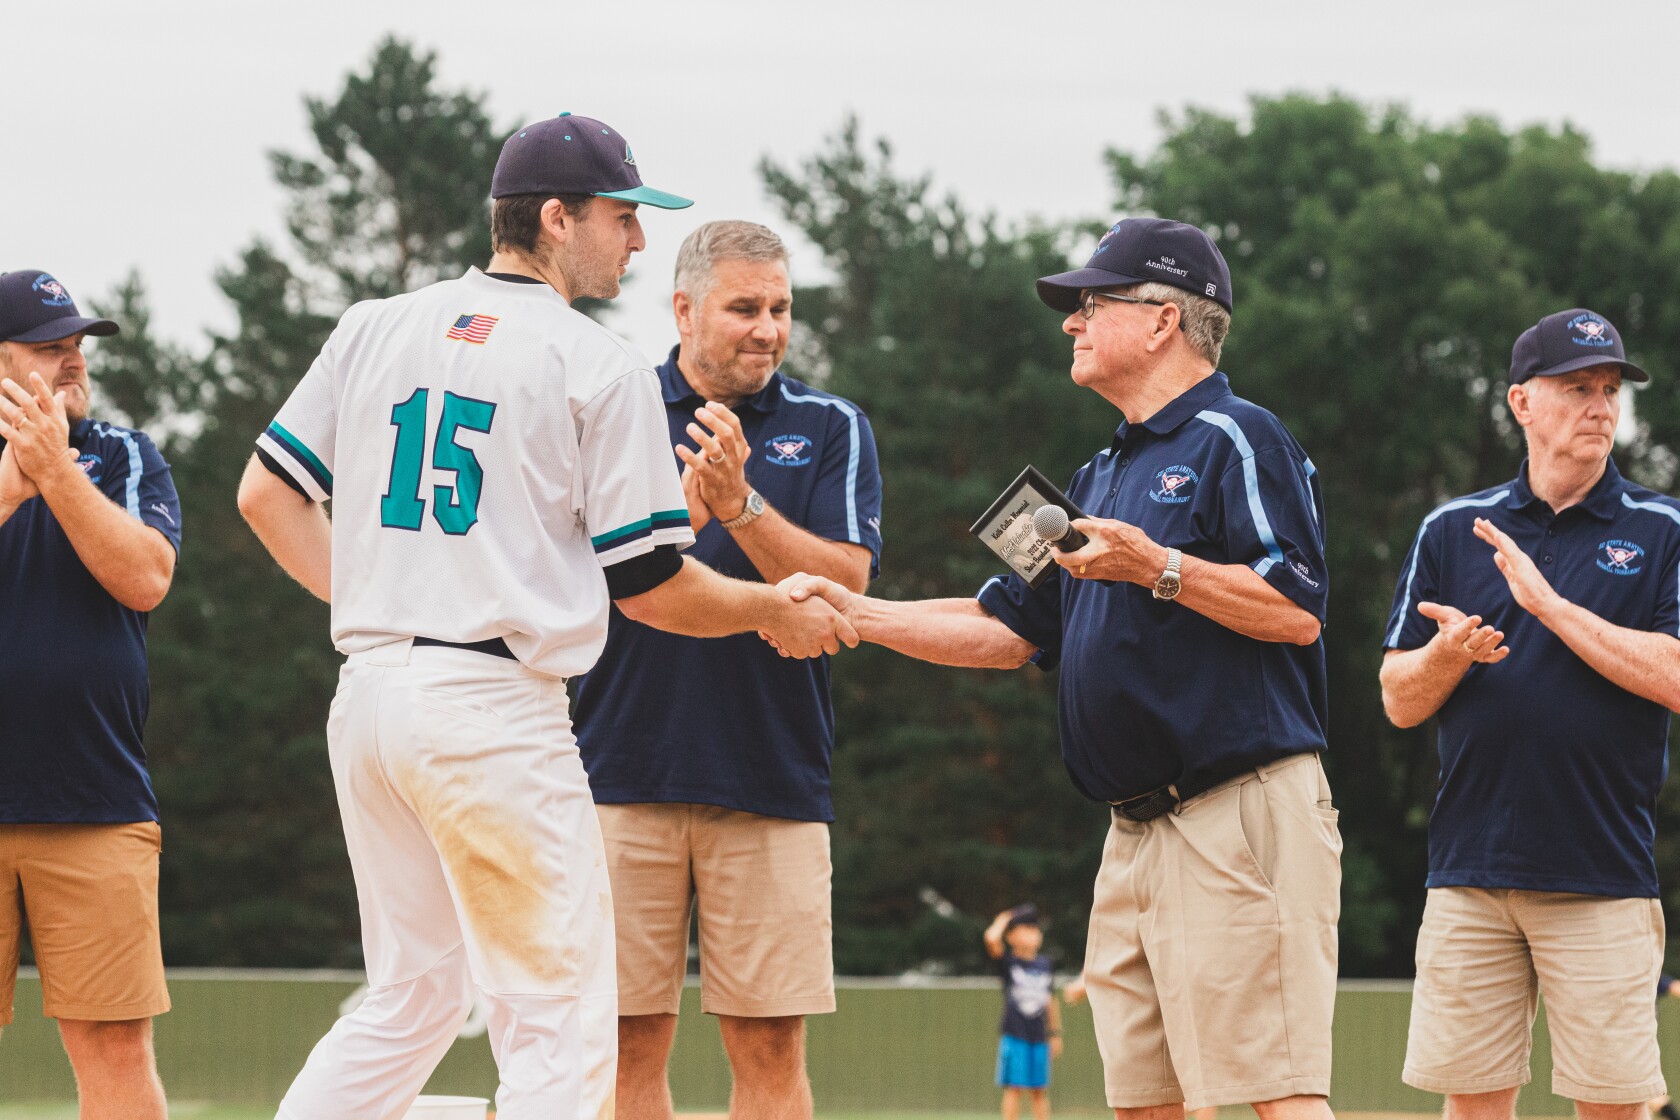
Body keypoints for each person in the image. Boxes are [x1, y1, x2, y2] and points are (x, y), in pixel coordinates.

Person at [236, 114, 854, 1120]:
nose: (639, 242)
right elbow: (653, 585)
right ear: (558, 218)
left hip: (371, 699)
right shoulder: (592, 361)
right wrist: (767, 606)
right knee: (559, 1026)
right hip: (491, 710)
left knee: (411, 996)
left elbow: (266, 496)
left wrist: (383, 608)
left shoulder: (373, 323)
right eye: (623, 217)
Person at [781, 218, 1339, 1120]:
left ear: (1163, 319)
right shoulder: (1107, 467)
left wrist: (1154, 565)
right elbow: (1009, 628)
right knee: (1141, 1102)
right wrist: (856, 612)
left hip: (1238, 813)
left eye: (1091, 305)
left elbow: (1296, 611)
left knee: (1274, 1095)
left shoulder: (1239, 437)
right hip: (1133, 835)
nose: (1071, 324)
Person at [571, 219, 881, 1120]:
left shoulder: (831, 426)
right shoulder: (610, 405)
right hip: (617, 770)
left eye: (781, 309)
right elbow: (570, 576)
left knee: (771, 1045)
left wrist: (741, 505)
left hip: (772, 771)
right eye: (744, 307)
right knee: (622, 1042)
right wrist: (685, 516)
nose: (768, 329)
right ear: (683, 308)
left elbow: (846, 582)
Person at [1380, 308, 1680, 1120]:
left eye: (1611, 389)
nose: (1601, 407)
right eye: (1578, 387)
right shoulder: (1450, 528)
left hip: (1601, 877)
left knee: (1614, 1106)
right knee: (1473, 1106)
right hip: (1470, 874)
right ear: (1520, 404)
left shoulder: (1662, 530)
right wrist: (1448, 655)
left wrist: (1547, 607)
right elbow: (1398, 700)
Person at [0, 269, 181, 1120]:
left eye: (78, 348)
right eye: (48, 349)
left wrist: (57, 474)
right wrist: (11, 484)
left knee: (114, 1048)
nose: (72, 363)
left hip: (95, 801)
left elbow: (145, 577)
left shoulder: (125, 455)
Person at [983, 905, 1062, 1120]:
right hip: (1015, 1034)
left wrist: (1054, 1033)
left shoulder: (1045, 964)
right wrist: (1004, 919)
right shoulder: (1009, 963)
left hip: (1039, 1035)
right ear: (1011, 936)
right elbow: (991, 939)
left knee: (1039, 1089)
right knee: (1014, 1088)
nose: (1033, 933)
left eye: (1035, 928)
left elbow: (1050, 999)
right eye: (1025, 928)